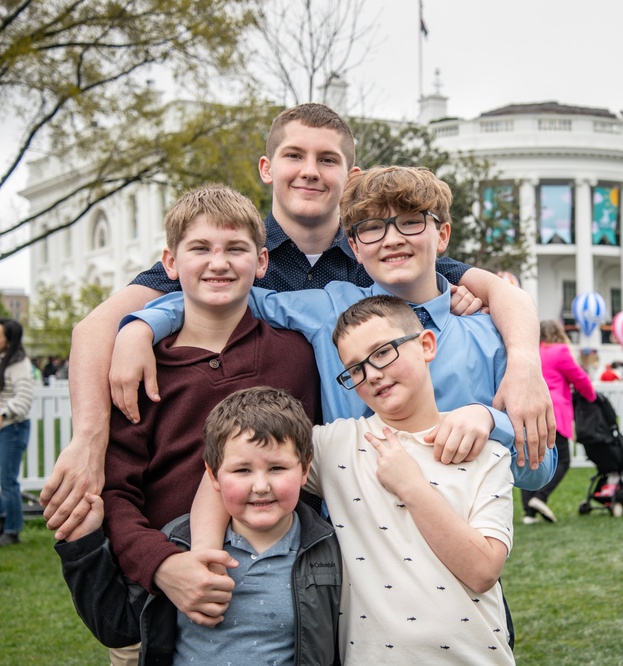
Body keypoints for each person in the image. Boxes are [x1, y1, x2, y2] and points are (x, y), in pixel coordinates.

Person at [40, 102, 554, 542]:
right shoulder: (236, 245)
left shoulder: (389, 262)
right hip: (304, 517)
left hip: (454, 541)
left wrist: (520, 372)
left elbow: (502, 294)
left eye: (327, 159)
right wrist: (142, 324)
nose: (310, 170)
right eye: (295, 156)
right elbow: (211, 298)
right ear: (268, 167)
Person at [116, 166, 554, 491]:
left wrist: (488, 421)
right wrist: (141, 326)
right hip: (351, 553)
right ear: (355, 247)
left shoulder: (490, 335)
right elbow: (222, 296)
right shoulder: (328, 307)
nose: (393, 238)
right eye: (372, 228)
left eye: (411, 222)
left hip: (459, 555)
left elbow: (537, 473)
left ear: (441, 237)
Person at [195, 296, 515, 662]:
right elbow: (228, 464)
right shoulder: (337, 445)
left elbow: (483, 571)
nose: (372, 374)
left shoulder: (485, 453)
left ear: (426, 345)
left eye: (382, 352)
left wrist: (412, 487)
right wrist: (206, 557)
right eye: (356, 368)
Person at [99, 185, 322, 665]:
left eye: (235, 249)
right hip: (159, 609)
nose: (218, 263)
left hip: (282, 608)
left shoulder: (296, 356)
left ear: (261, 262)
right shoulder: (137, 368)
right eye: (200, 248)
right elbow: (115, 491)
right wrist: (162, 566)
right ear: (171, 262)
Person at [57, 387, 341, 664]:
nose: (261, 486)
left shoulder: (329, 551)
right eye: (242, 470)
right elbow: (117, 626)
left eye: (277, 468)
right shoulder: (178, 545)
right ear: (213, 475)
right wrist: (84, 542)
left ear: (304, 469)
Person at [522, 320, 596, 524]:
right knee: (562, 459)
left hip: (529, 409)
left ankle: (529, 512)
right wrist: (591, 397)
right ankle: (540, 497)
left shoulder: (530, 351)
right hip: (553, 410)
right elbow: (580, 378)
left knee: (530, 459)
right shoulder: (560, 351)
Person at [0, 319, 35, 547]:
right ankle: (3, 523)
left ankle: (12, 531)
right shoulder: (3, 361)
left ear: (9, 339)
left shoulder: (19, 363)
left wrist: (2, 417)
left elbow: (23, 400)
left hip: (11, 428)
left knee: (7, 481)